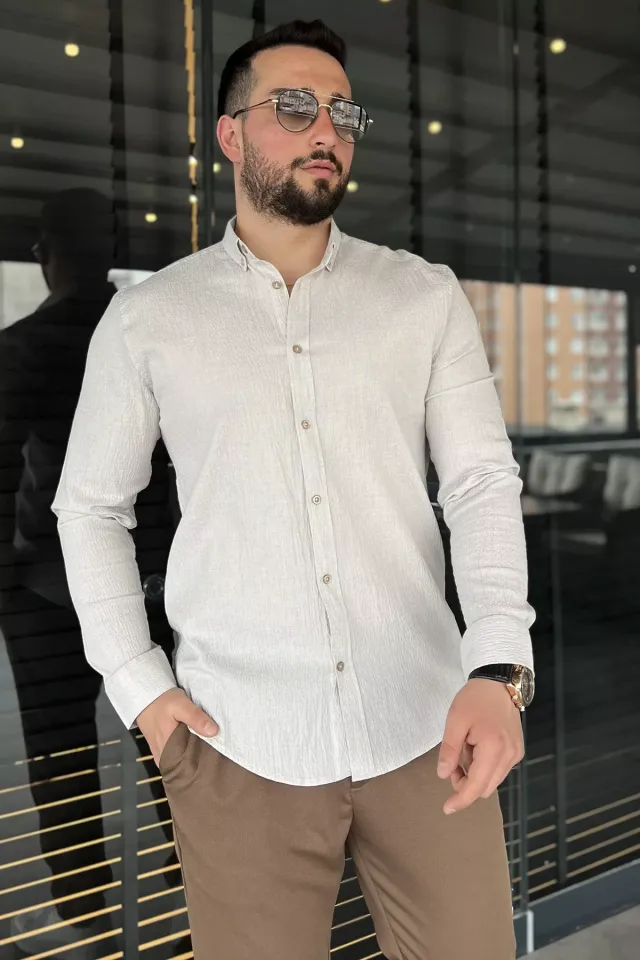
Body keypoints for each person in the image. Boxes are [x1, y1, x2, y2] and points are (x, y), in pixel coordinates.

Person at [52, 20, 535, 960]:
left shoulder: (423, 296)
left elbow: (480, 483)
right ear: (230, 135)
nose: (327, 130)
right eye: (296, 107)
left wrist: (499, 669)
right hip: (238, 742)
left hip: (427, 726)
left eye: (342, 113)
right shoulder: (149, 318)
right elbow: (90, 508)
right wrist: (141, 687)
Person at [0, 189, 176, 958]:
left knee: (61, 752)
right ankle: (197, 862)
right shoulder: (153, 334)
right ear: (112, 249)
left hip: (46, 588)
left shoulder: (25, 346)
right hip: (155, 575)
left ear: (46, 255)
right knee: (171, 734)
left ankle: (85, 909)